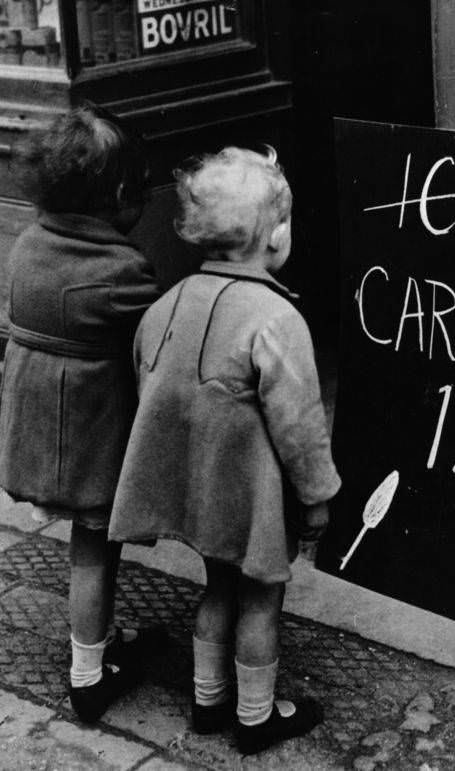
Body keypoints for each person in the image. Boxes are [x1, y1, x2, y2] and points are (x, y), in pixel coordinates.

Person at [109, 146, 341, 755]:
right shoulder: (274, 318)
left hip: (198, 491)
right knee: (262, 597)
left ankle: (208, 699)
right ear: (278, 236)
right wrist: (317, 497)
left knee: (216, 588)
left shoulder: (167, 303)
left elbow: (147, 384)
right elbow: (300, 424)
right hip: (254, 497)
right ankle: (257, 715)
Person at [0, 104, 162, 723]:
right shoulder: (120, 272)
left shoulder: (28, 243)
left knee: (85, 545)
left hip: (35, 427)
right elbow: (161, 333)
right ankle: (89, 675)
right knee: (94, 548)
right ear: (122, 196)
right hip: (87, 439)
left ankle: (99, 639)